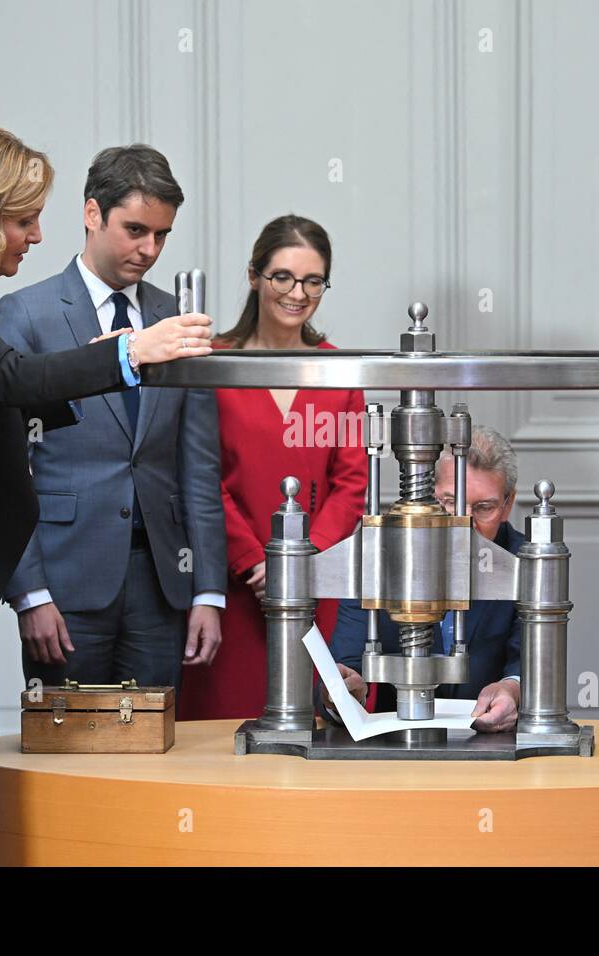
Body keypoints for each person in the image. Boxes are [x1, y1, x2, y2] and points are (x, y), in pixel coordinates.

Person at [0, 128, 212, 865]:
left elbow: (5, 394)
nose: (34, 235)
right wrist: (131, 351)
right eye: (23, 218)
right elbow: (13, 382)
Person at [0, 144, 226, 693]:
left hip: (163, 583)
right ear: (92, 213)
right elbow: (2, 471)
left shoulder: (176, 319)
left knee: (152, 760)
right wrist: (30, 594)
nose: (150, 249)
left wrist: (208, 592)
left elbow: (199, 467)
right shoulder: (26, 316)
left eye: (162, 235)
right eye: (136, 230)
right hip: (64, 585)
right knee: (66, 762)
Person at [176, 215, 366, 721]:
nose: (297, 293)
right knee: (219, 735)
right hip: (231, 589)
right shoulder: (213, 363)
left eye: (313, 280)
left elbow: (351, 483)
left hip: (311, 587)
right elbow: (199, 477)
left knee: (307, 734)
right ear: (254, 276)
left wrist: (303, 562)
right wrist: (254, 564)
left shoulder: (340, 372)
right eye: (282, 276)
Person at [322, 426, 524, 733]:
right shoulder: (378, 551)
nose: (463, 524)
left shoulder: (525, 561)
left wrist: (513, 689)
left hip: (490, 747)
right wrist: (343, 693)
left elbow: (533, 664)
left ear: (507, 505)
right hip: (395, 748)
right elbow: (344, 665)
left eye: (484, 508)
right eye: (449, 501)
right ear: (428, 495)